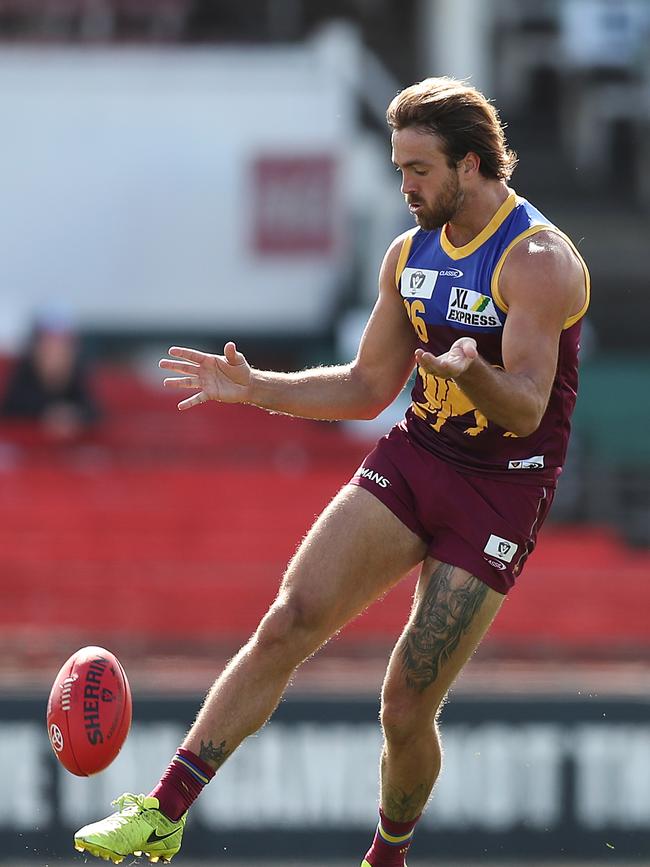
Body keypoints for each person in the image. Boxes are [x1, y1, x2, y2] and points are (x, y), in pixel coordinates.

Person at [73, 76, 589, 866]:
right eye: (399, 169)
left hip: (502, 490)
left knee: (404, 708)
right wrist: (253, 390)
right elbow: (365, 386)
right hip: (419, 457)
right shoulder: (409, 254)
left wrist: (470, 371)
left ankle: (387, 855)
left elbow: (524, 405)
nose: (405, 187)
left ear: (475, 164)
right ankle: (164, 811)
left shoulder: (539, 260)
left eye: (420, 169)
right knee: (289, 619)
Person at [1, 308, 100, 440]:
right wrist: (47, 414)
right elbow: (11, 411)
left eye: (61, 348)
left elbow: (95, 412)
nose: (55, 354)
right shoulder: (23, 373)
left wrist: (73, 416)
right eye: (49, 347)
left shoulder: (77, 375)